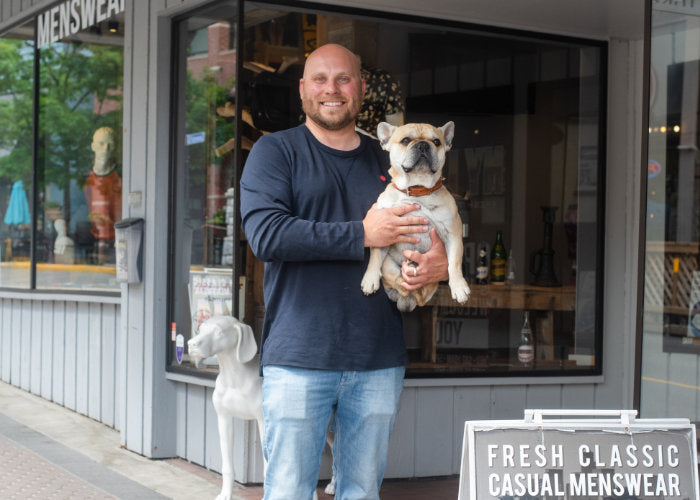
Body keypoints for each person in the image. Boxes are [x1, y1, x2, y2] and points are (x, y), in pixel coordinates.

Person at [240, 43, 448, 500]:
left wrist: (438, 264)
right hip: (298, 357)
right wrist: (361, 234)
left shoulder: (390, 157)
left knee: (361, 493)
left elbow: (435, 225)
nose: (331, 90)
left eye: (343, 78)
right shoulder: (275, 152)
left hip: (376, 358)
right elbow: (267, 236)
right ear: (302, 89)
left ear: (361, 87)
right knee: (289, 491)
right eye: (320, 79)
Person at [84, 126, 122, 264]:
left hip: (116, 242)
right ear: (93, 146)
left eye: (110, 145)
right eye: (101, 144)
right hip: (90, 240)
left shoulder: (120, 178)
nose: (105, 149)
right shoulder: (85, 180)